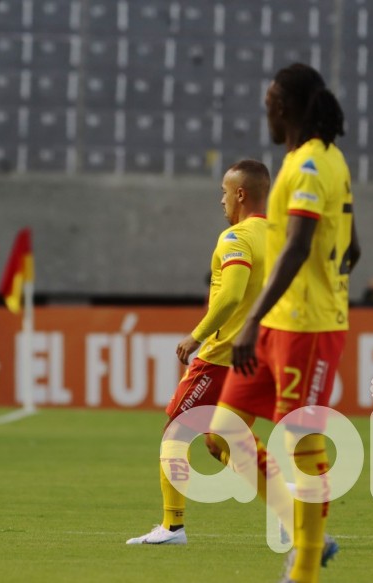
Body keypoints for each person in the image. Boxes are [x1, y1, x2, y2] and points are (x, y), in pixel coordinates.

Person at [206, 63, 360, 583]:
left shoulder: (313, 165)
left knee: (300, 439)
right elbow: (352, 246)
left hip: (305, 327)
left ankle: (305, 570)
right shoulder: (314, 160)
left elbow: (297, 245)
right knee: (225, 433)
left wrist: (257, 319)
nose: (266, 113)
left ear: (285, 108)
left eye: (270, 105)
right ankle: (302, 530)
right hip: (286, 321)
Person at [126, 160, 270, 545]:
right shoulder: (280, 236)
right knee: (220, 441)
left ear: (240, 194)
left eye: (224, 191)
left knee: (175, 429)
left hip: (223, 355)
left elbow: (232, 295)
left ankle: (172, 527)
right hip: (262, 355)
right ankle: (289, 508)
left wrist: (196, 336)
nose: (220, 199)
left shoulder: (235, 238)